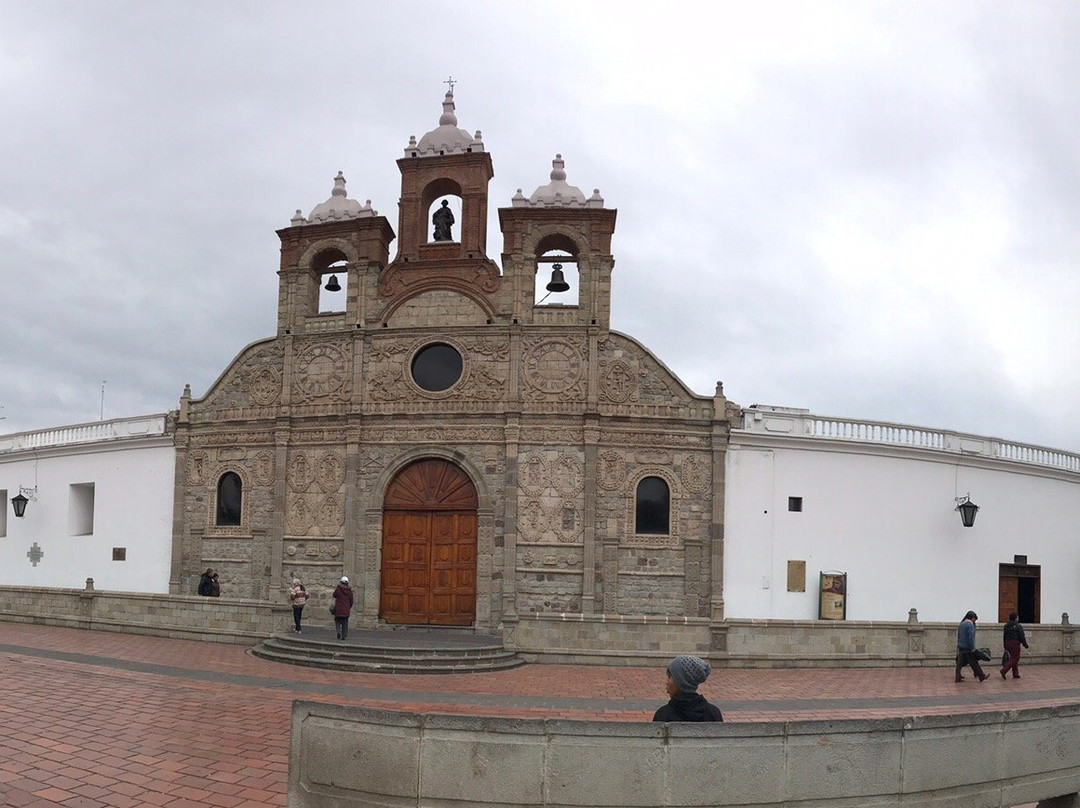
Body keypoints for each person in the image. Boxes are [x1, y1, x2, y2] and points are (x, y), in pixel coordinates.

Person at [652, 655, 723, 722]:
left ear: (681, 682)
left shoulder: (663, 715)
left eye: (669, 676)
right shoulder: (713, 713)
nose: (666, 682)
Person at [955, 610, 989, 682]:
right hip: (968, 647)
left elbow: (959, 636)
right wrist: (973, 647)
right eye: (975, 619)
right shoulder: (970, 625)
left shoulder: (962, 624)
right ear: (972, 618)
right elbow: (971, 638)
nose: (975, 621)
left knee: (959, 663)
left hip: (961, 646)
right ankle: (981, 676)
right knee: (974, 663)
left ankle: (957, 677)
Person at [1000, 611, 1030, 680]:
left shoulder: (1006, 626)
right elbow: (1022, 636)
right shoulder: (1018, 626)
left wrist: (1004, 644)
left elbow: (1004, 636)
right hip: (1015, 643)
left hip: (1007, 643)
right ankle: (1004, 670)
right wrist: (1025, 644)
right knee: (1015, 658)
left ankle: (1015, 674)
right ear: (1016, 618)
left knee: (1013, 658)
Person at [331, 576, 354, 641]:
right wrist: (348, 607)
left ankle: (338, 632)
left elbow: (334, 595)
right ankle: (344, 635)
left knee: (337, 620)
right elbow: (351, 601)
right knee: (345, 622)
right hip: (346, 609)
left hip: (338, 608)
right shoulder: (349, 591)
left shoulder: (338, 589)